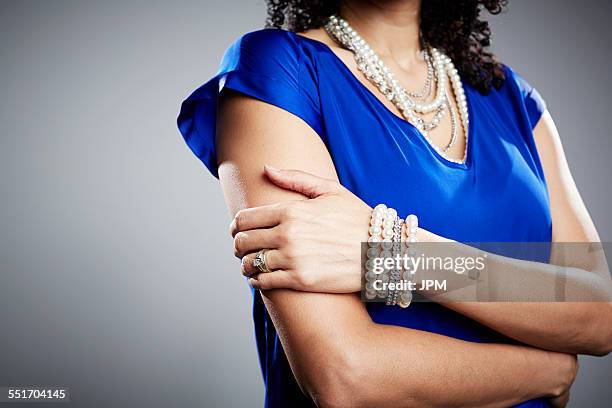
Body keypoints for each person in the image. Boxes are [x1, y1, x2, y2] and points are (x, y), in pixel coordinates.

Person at [178, 1, 612, 406]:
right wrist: (548, 371)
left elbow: (601, 315)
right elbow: (344, 375)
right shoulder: (280, 70)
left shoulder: (512, 97)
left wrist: (403, 255)